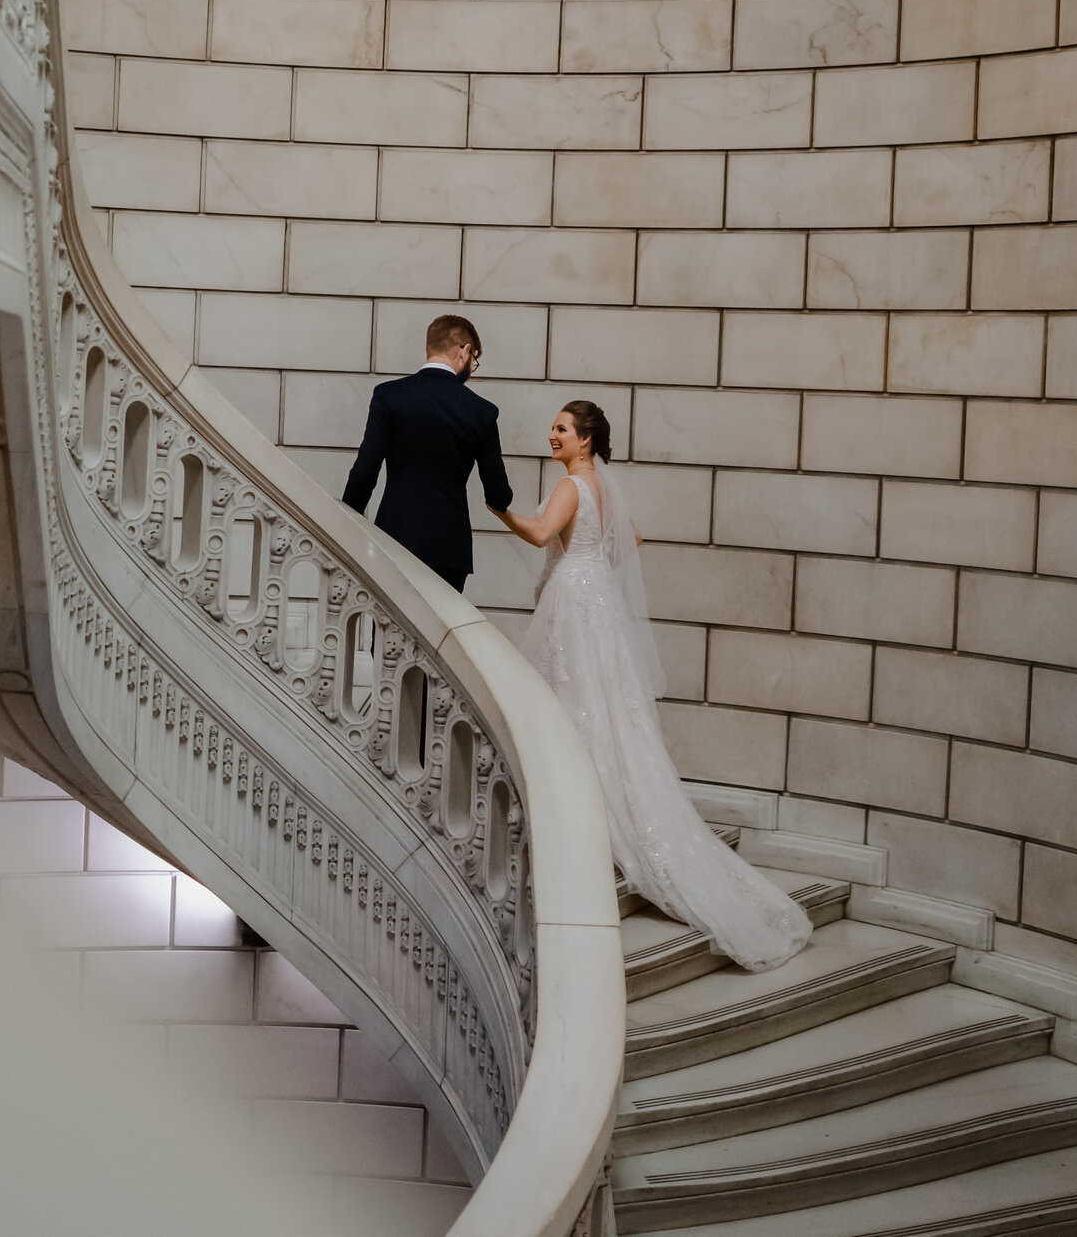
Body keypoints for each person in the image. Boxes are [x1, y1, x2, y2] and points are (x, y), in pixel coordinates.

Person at [489, 402, 812, 972]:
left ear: (585, 441)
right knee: (602, 708)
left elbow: (540, 534)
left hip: (572, 604)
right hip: (595, 606)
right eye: (555, 427)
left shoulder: (570, 485)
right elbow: (630, 539)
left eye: (562, 429)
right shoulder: (601, 487)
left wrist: (499, 510)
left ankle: (571, 815)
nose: (552, 435)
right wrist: (589, 568)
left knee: (567, 703)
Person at [341, 314, 513, 594]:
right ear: (465, 351)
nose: (472, 368)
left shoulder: (388, 395)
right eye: (474, 361)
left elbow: (364, 473)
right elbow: (498, 495)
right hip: (449, 548)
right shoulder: (481, 411)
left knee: (390, 621)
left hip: (394, 538)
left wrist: (348, 521)